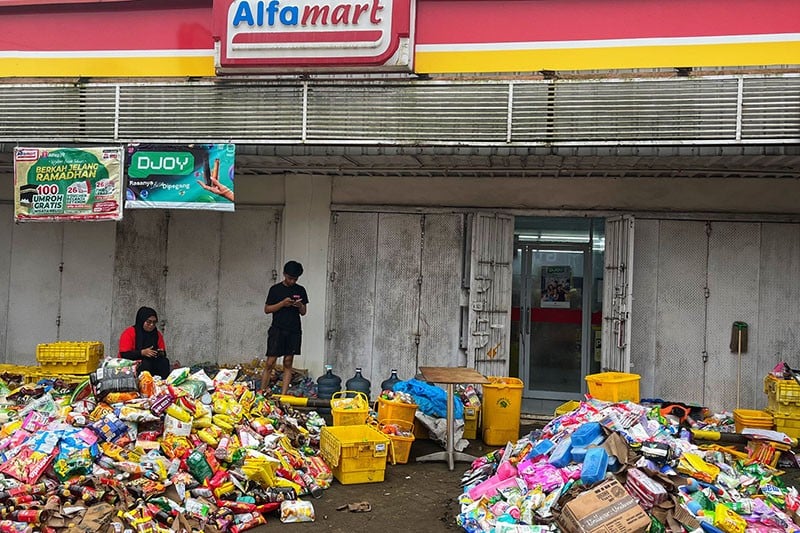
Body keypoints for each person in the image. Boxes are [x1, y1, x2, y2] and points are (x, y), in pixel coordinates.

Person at [261, 260, 308, 395]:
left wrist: (299, 306)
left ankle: (283, 394)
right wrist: (282, 303)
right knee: (270, 362)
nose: (292, 281)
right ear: (284, 275)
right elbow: (267, 309)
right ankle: (262, 391)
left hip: (294, 330)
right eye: (290, 278)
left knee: (288, 362)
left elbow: (304, 312)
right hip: (277, 329)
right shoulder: (275, 289)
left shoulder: (301, 290)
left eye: (295, 279)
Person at [118, 306, 171, 379]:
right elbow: (124, 354)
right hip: (132, 364)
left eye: (154, 322)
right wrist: (142, 352)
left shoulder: (157, 334)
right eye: (148, 322)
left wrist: (158, 353)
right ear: (142, 321)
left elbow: (163, 352)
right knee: (145, 364)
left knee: (164, 362)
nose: (151, 325)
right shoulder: (129, 333)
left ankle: (161, 384)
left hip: (152, 362)